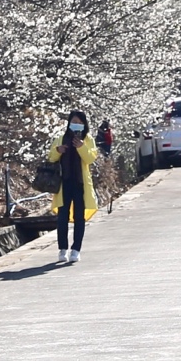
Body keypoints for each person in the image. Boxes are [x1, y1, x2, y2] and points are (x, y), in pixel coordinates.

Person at [47, 109, 99, 264]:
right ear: (69, 123)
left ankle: (76, 249)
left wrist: (81, 147)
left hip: (80, 184)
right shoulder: (61, 138)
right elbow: (51, 157)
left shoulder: (88, 139)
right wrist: (58, 150)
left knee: (79, 217)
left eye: (79, 123)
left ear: (84, 124)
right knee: (62, 217)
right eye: (74, 122)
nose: (76, 125)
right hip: (64, 184)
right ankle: (62, 249)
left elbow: (90, 158)